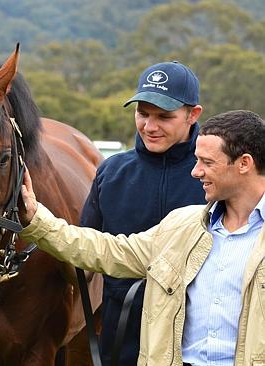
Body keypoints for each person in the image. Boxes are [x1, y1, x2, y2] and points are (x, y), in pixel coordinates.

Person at [19, 109, 265, 365]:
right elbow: (109, 251)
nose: (196, 172)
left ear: (244, 164)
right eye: (196, 160)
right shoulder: (183, 226)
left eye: (208, 162)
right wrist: (37, 221)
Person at [79, 61, 206, 365]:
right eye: (143, 114)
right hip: (120, 341)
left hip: (193, 344)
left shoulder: (212, 174)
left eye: (164, 116)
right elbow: (84, 249)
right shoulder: (111, 172)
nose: (150, 126)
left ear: (193, 114)